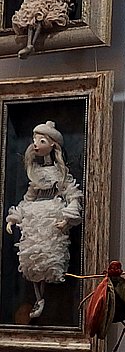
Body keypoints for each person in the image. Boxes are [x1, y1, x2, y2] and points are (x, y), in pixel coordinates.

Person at [4, 121, 82, 320]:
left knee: (48, 257)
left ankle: (42, 297)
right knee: (32, 258)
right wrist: (15, 217)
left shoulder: (59, 173)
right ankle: (38, 298)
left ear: (53, 144)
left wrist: (68, 218)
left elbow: (72, 195)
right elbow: (29, 197)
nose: (36, 144)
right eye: (35, 140)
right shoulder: (36, 173)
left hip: (51, 217)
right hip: (34, 218)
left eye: (41, 141)